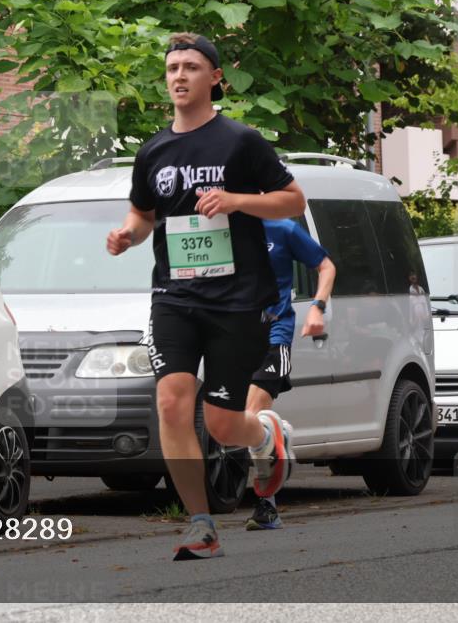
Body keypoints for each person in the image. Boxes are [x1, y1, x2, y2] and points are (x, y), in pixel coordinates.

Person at [106, 32, 305, 560]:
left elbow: (292, 199)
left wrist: (237, 200)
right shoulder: (153, 150)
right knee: (172, 400)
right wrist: (128, 234)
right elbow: (145, 214)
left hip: (239, 300)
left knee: (221, 423)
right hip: (174, 295)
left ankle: (263, 438)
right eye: (172, 67)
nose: (179, 76)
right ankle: (201, 523)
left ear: (215, 78)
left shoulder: (240, 141)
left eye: (191, 67)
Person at [245, 218, 336, 530]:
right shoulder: (218, 228)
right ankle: (276, 436)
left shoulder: (283, 229)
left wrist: (317, 307)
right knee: (235, 425)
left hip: (274, 335)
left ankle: (266, 506)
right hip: (231, 339)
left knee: (253, 413)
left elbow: (326, 266)